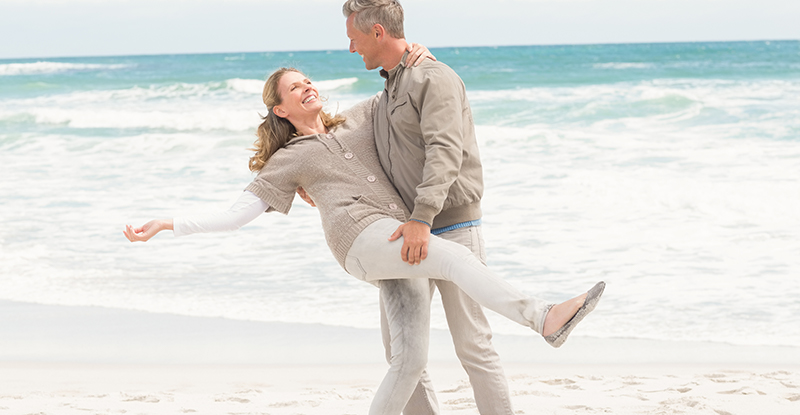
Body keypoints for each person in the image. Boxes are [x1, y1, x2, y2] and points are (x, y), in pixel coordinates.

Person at [124, 66, 605, 415]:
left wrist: (417, 56)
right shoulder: (288, 159)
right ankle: (543, 317)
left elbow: (401, 88)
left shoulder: (358, 119)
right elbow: (234, 216)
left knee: (408, 358)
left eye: (308, 80)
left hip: (398, 237)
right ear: (280, 109)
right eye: (295, 87)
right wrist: (168, 223)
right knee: (455, 259)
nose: (307, 87)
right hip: (362, 241)